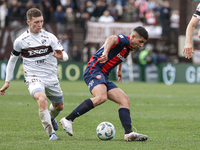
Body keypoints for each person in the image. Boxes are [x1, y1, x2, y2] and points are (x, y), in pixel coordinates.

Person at [59, 26, 149, 142]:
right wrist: (105, 52)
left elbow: (120, 56)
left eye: (143, 43)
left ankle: (128, 133)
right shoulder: (123, 39)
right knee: (101, 97)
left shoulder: (129, 48)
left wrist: (119, 69)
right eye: (140, 41)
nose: (141, 45)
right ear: (132, 37)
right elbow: (111, 38)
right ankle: (68, 119)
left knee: (125, 100)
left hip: (104, 75)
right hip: (94, 69)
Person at [0, 8, 69, 140]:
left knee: (59, 106)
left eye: (41, 21)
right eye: (36, 22)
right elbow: (12, 60)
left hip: (51, 77)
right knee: (41, 99)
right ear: (28, 22)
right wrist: (7, 81)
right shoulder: (21, 40)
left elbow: (64, 55)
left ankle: (51, 117)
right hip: (33, 77)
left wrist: (62, 57)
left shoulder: (50, 37)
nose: (39, 25)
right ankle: (51, 133)